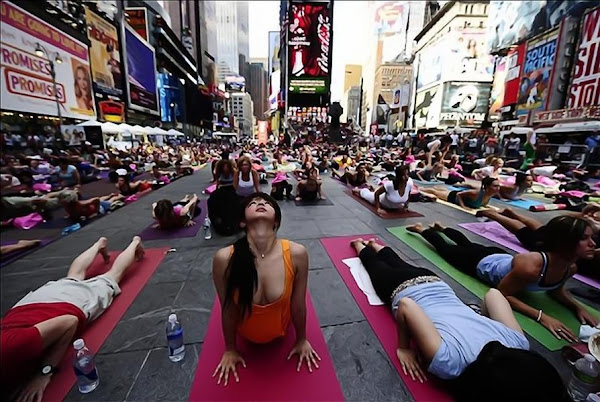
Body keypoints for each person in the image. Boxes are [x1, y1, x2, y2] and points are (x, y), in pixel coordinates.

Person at [347, 238, 568, 402]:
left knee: (394, 260)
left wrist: (479, 320)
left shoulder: (518, 343)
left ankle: (372, 244)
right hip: (402, 288)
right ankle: (360, 245)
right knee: (373, 264)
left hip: (435, 283)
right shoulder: (450, 363)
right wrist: (403, 348)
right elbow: (407, 306)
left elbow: (494, 295)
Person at [0, 236, 145, 401]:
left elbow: (69, 322)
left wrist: (45, 371)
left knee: (111, 277)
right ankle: (98, 244)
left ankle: (134, 243)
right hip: (29, 305)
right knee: (72, 278)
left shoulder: (9, 348)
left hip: (64, 305)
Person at [406, 217, 598, 341]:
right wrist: (542, 317)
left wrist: (576, 307)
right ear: (566, 241)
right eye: (585, 239)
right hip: (479, 263)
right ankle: (422, 229)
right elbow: (501, 293)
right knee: (447, 249)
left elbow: (555, 290)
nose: (593, 244)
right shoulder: (531, 268)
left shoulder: (570, 267)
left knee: (468, 243)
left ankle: (443, 227)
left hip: (499, 257)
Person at [211, 193, 318, 385]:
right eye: (253, 203)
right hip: (245, 337)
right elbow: (227, 308)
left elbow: (298, 303)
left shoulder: (297, 254)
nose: (260, 203)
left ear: (276, 220)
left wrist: (302, 339)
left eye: (266, 203)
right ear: (243, 222)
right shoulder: (224, 258)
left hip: (282, 333)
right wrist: (230, 349)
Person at [420, 177, 500, 210]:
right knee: (435, 192)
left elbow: (483, 204)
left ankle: (438, 187)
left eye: (498, 186)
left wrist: (487, 207)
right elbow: (459, 195)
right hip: (453, 196)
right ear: (487, 186)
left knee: (443, 191)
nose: (498, 188)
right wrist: (463, 206)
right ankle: (422, 189)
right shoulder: (476, 193)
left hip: (459, 194)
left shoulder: (490, 194)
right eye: (495, 186)